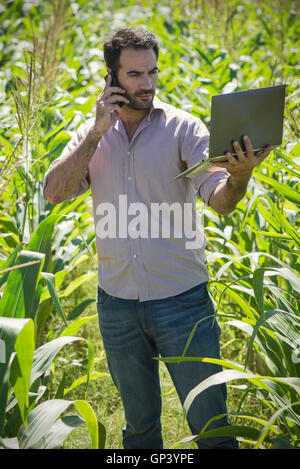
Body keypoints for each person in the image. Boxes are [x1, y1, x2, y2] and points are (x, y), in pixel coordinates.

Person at [43, 27, 272, 449]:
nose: (147, 83)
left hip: (183, 304)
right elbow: (53, 192)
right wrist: (95, 133)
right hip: (117, 307)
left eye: (152, 72)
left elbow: (220, 201)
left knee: (213, 430)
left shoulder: (183, 129)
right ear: (111, 78)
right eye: (134, 75)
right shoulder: (92, 135)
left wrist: (239, 176)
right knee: (140, 431)